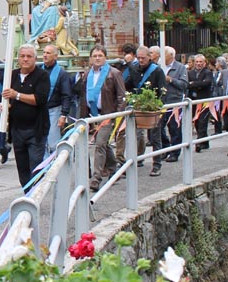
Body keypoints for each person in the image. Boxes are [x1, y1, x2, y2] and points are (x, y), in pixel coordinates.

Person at [74, 45, 126, 191]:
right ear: (91, 58)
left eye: (100, 56)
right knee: (103, 144)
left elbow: (121, 95)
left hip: (107, 114)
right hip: (93, 115)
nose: (97, 58)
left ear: (105, 57)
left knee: (100, 144)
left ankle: (96, 178)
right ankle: (113, 168)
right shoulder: (87, 74)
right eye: (95, 56)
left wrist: (117, 116)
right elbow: (83, 96)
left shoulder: (114, 73)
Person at [3, 44, 50, 187]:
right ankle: (27, 194)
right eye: (22, 56)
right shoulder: (12, 75)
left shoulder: (42, 75)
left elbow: (40, 99)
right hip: (17, 129)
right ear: (18, 58)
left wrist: (16, 95)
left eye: (29, 56)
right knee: (22, 168)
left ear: (35, 59)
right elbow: (7, 97)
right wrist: (4, 105)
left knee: (35, 166)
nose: (25, 59)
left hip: (36, 130)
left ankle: (35, 194)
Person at [125, 46, 165, 173]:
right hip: (138, 106)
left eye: (143, 58)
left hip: (153, 107)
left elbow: (162, 90)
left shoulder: (157, 70)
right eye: (139, 58)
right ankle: (132, 161)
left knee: (155, 137)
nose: (141, 60)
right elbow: (129, 84)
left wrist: (158, 106)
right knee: (134, 135)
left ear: (149, 57)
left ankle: (157, 165)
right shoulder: (135, 69)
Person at [41, 45, 74, 156]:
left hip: (54, 110)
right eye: (44, 52)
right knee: (41, 142)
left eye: (48, 53)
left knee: (52, 142)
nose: (45, 55)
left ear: (55, 56)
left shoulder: (62, 74)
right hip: (39, 111)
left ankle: (55, 163)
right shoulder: (38, 71)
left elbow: (66, 95)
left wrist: (63, 114)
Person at [159, 46, 189, 165]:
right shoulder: (159, 66)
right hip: (162, 102)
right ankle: (165, 147)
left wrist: (171, 80)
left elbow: (184, 84)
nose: (162, 56)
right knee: (158, 127)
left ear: (171, 55)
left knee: (174, 128)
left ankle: (175, 152)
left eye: (164, 54)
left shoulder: (180, 68)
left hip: (174, 102)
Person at [187, 54, 214, 151]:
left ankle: (199, 143)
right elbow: (187, 84)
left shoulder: (207, 72)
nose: (198, 64)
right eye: (197, 62)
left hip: (204, 101)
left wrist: (194, 83)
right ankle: (205, 142)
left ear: (204, 63)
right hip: (194, 101)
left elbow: (206, 83)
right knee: (197, 122)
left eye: (200, 62)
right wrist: (197, 84)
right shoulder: (190, 73)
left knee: (203, 121)